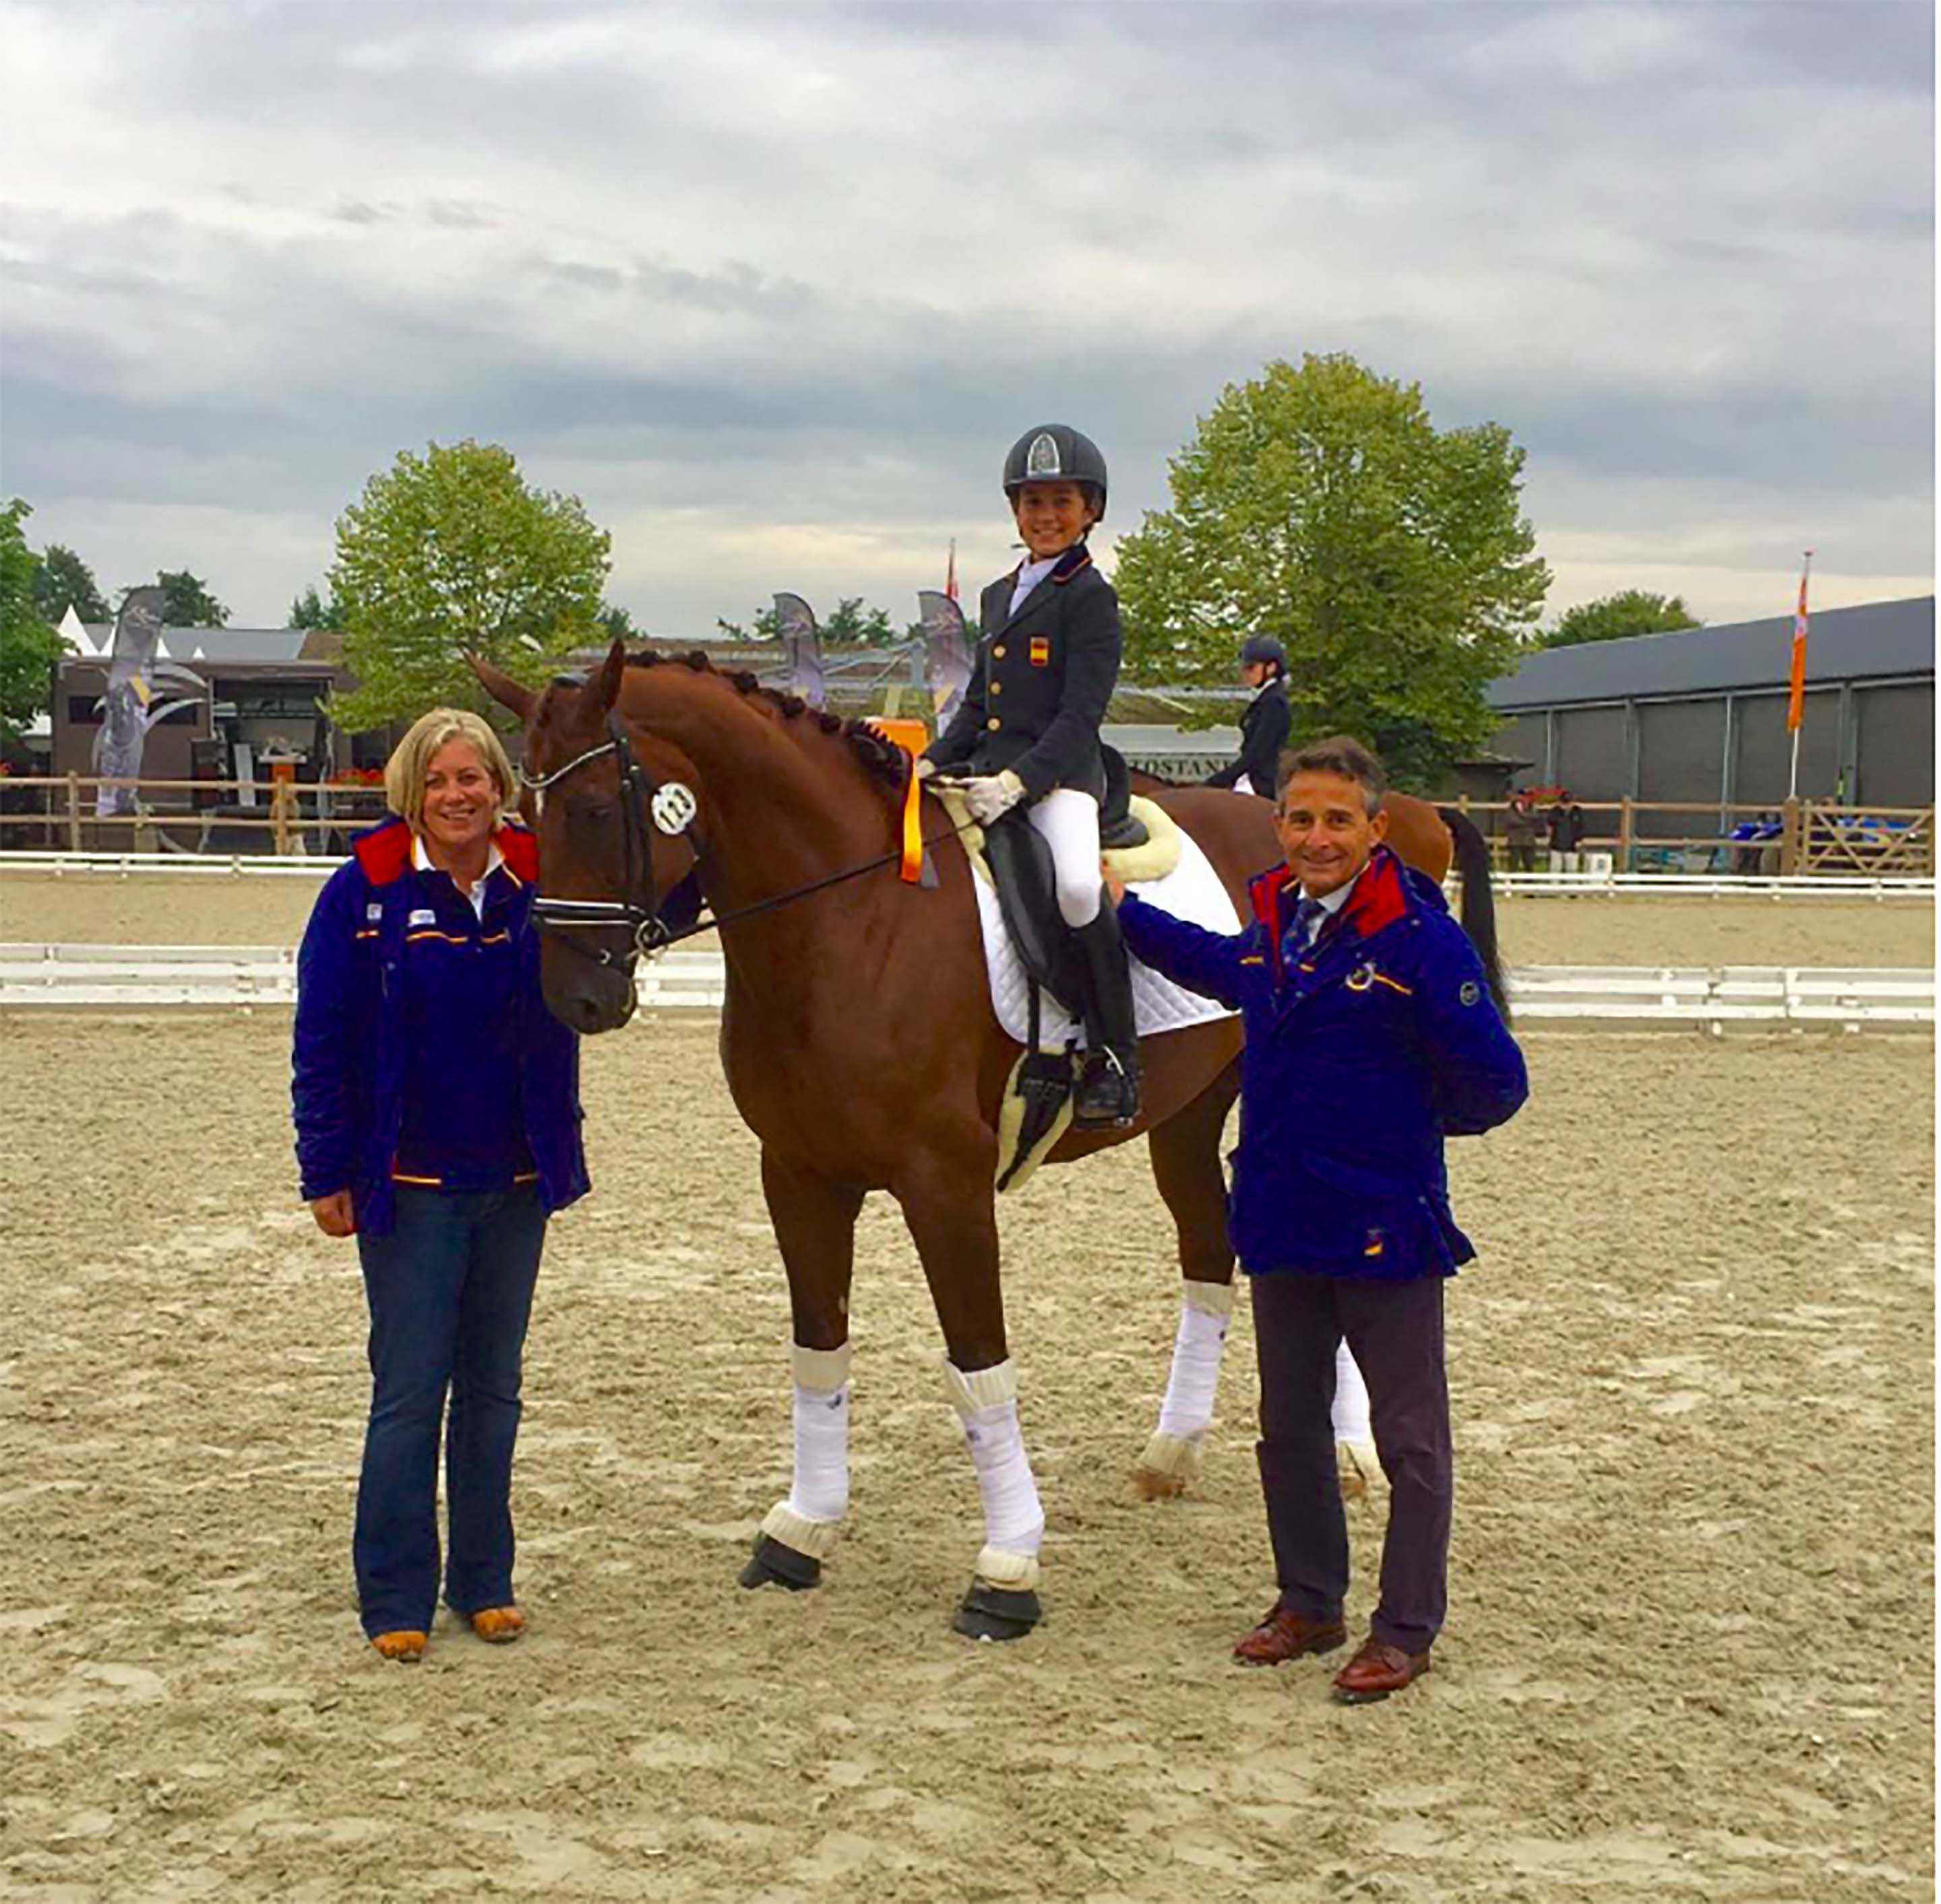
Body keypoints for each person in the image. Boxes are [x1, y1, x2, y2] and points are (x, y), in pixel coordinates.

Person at [1107, 737, 1527, 1702]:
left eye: (1338, 819)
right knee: (1289, 1425)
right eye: (1300, 819)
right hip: (1283, 1213)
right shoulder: (1275, 924)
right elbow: (1216, 966)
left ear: (1377, 829)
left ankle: (1406, 1626)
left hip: (1383, 1219)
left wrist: (1400, 1133)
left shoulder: (1420, 940)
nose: (1317, 837)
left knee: (1409, 1438)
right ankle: (1310, 1600)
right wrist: (1127, 913)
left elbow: (1496, 1082)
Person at [292, 708, 589, 1663]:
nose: (458, 795)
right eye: (439, 780)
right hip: (409, 1184)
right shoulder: (363, 891)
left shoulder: (543, 882)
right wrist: (325, 1168)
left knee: (494, 1389)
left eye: (475, 778)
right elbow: (323, 1039)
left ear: (501, 787)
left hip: (516, 1175)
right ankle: (393, 1593)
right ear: (412, 792)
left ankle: (485, 1580)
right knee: (411, 1392)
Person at [919, 423, 1139, 1127]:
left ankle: (1114, 1055)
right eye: (1033, 501)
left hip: (1063, 778)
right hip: (983, 774)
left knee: (1077, 886)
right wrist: (931, 759)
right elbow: (978, 702)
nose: (1045, 516)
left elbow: (1081, 713)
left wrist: (1020, 783)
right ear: (1016, 510)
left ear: (1090, 511)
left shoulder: (1091, 597)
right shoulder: (996, 594)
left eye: (1061, 501)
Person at [1204, 634, 1293, 797]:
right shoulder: (1264, 699)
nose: (1245, 674)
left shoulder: (1274, 702)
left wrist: (1219, 780)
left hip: (1262, 784)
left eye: (1251, 668)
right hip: (1251, 778)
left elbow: (1257, 753)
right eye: (1244, 668)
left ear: (1271, 668)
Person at [1546, 794, 1586, 873]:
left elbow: (1581, 827)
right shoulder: (1554, 811)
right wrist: (1549, 839)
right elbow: (1549, 826)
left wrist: (1579, 840)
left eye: (1569, 803)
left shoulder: (1578, 812)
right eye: (1564, 803)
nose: (1566, 805)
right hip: (1556, 846)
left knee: (1572, 871)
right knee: (1555, 871)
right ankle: (1554, 885)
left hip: (1572, 846)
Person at [1504, 789, 1538, 874]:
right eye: (1523, 796)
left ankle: (1529, 884)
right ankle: (1512, 884)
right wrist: (1526, 819)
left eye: (1527, 796)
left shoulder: (1532, 807)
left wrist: (1521, 816)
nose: (1525, 798)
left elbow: (1535, 819)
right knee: (1514, 866)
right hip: (1515, 841)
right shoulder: (1512, 808)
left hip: (1529, 841)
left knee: (1529, 866)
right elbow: (1512, 821)